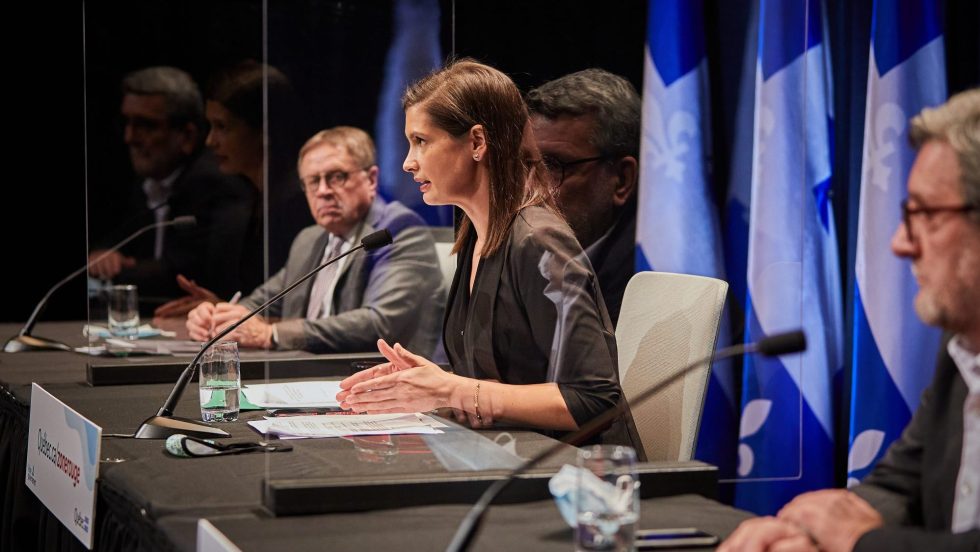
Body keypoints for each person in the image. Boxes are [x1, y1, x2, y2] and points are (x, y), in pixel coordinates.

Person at [719, 88, 980, 551]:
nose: (901, 243)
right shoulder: (963, 346)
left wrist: (860, 542)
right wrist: (807, 531)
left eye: (926, 215)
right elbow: (902, 485)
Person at [337, 60, 629, 440]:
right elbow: (502, 383)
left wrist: (451, 389)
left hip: (568, 475)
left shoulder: (539, 241)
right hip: (504, 454)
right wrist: (432, 383)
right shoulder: (476, 236)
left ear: (476, 142)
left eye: (421, 141)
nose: (408, 163)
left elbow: (595, 399)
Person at [186, 126, 445, 356]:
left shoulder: (398, 231)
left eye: (336, 177)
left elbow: (378, 323)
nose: (323, 191)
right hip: (303, 374)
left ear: (371, 179)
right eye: (313, 181)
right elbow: (260, 303)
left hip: (374, 379)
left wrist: (271, 335)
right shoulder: (310, 239)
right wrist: (221, 317)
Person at [89, 66, 258, 309]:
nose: (130, 137)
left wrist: (120, 271)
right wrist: (103, 253)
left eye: (146, 125)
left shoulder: (213, 182)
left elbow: (181, 273)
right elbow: (120, 237)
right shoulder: (146, 183)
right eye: (126, 122)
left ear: (187, 136)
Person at [155, 61, 312, 316]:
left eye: (223, 127)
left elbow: (299, 311)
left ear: (264, 130)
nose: (210, 141)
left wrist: (230, 311)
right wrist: (224, 308)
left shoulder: (299, 203)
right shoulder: (248, 197)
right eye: (210, 126)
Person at [526, 69, 640, 325]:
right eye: (526, 165)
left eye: (554, 165)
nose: (531, 188)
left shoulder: (651, 279)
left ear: (622, 179)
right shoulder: (522, 257)